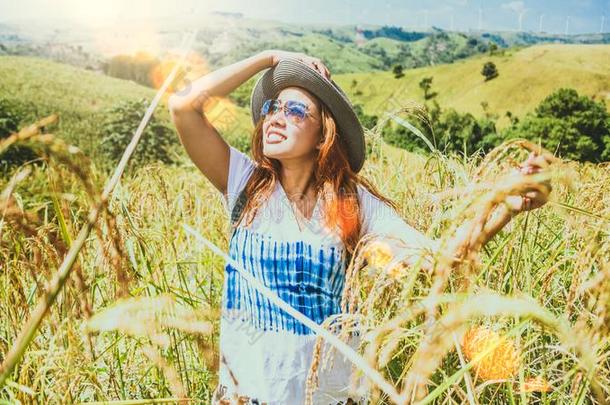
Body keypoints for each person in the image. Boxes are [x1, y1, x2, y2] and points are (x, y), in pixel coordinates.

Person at [168, 50, 550, 405]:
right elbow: (183, 106)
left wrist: (505, 206)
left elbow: (436, 261)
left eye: (296, 110)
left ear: (323, 134)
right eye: (272, 107)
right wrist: (270, 57)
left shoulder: (353, 204)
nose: (276, 117)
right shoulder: (245, 184)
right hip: (242, 397)